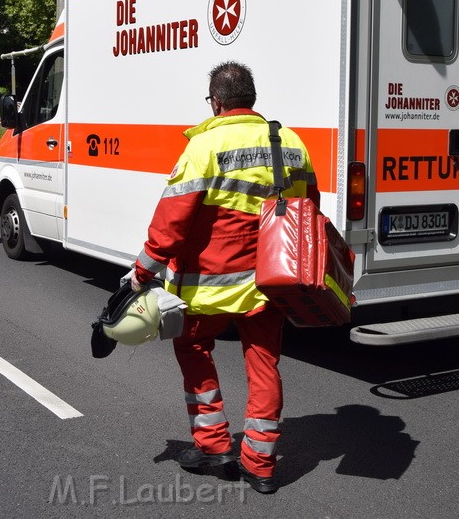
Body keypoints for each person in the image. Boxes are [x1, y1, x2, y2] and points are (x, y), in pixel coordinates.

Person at [130, 62, 319, 495]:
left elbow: (171, 223)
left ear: (216, 102)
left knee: (193, 346)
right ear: (250, 98)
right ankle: (261, 465)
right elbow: (310, 205)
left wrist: (144, 270)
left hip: (209, 285)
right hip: (271, 282)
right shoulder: (290, 142)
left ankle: (214, 445)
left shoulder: (205, 146)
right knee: (264, 363)